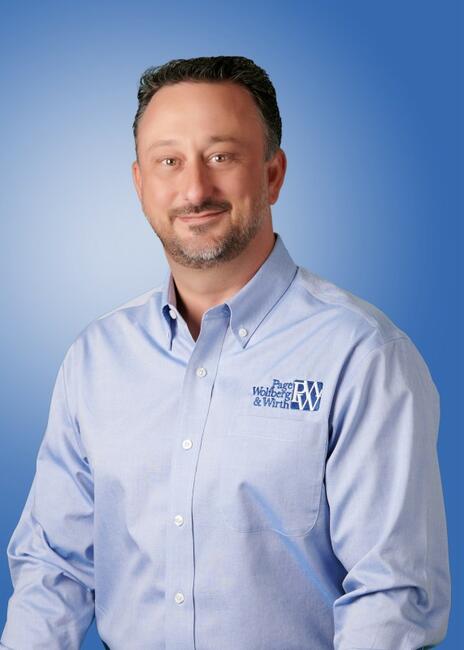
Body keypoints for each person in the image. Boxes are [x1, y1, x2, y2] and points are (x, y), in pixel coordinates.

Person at [1, 56, 450, 650]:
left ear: (273, 174)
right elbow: (54, 569)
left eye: (221, 157)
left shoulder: (361, 355)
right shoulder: (96, 358)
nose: (194, 190)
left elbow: (390, 598)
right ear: (139, 184)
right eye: (168, 161)